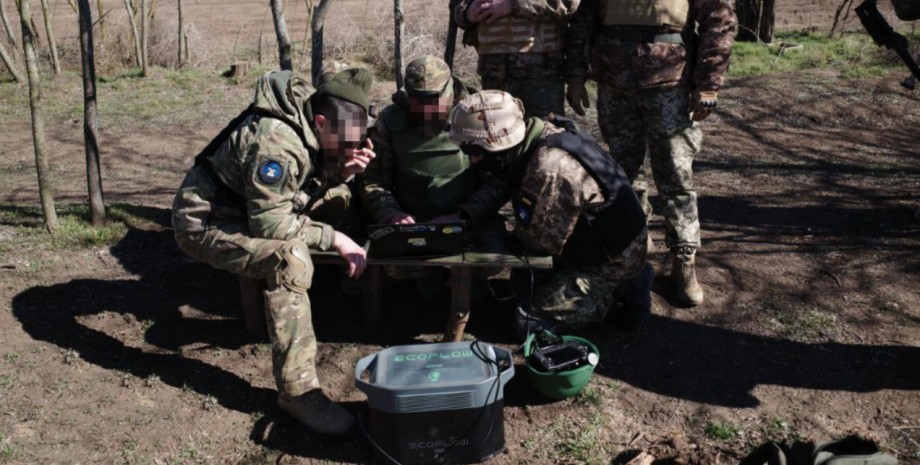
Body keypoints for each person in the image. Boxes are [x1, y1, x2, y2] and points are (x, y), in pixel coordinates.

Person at [171, 68, 377, 437]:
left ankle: (327, 299)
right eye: (345, 142)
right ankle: (298, 393)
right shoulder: (276, 142)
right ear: (320, 121)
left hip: (249, 212)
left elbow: (300, 181)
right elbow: (271, 227)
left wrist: (341, 171)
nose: (349, 148)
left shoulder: (307, 123)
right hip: (208, 224)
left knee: (341, 197)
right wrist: (336, 240)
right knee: (290, 260)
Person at [564, 0, 737, 307]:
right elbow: (582, 18)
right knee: (621, 174)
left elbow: (719, 20)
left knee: (675, 175)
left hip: (670, 82)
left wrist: (709, 83)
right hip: (615, 81)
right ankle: (635, 245)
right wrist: (575, 75)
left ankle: (684, 260)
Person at [448, 90, 654, 337]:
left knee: (529, 321)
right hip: (599, 241)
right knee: (520, 285)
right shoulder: (537, 133)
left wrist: (494, 244)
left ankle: (622, 288)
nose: (472, 160)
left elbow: (540, 243)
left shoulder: (550, 169)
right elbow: (505, 180)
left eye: (475, 151)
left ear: (495, 143)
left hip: (609, 261)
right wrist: (467, 214)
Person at [358, 55, 506, 297]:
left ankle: (457, 280)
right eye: (418, 100)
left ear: (449, 92)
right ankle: (430, 278)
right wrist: (391, 213)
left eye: (434, 100)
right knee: (395, 267)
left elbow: (498, 181)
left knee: (492, 261)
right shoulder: (390, 121)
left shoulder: (476, 115)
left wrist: (465, 214)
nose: (426, 109)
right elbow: (373, 179)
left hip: (466, 217)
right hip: (413, 220)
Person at [452, 0, 580, 118]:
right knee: (495, 136)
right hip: (493, 73)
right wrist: (467, 12)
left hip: (541, 76)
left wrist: (513, 4)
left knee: (546, 134)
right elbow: (459, 7)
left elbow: (569, 4)